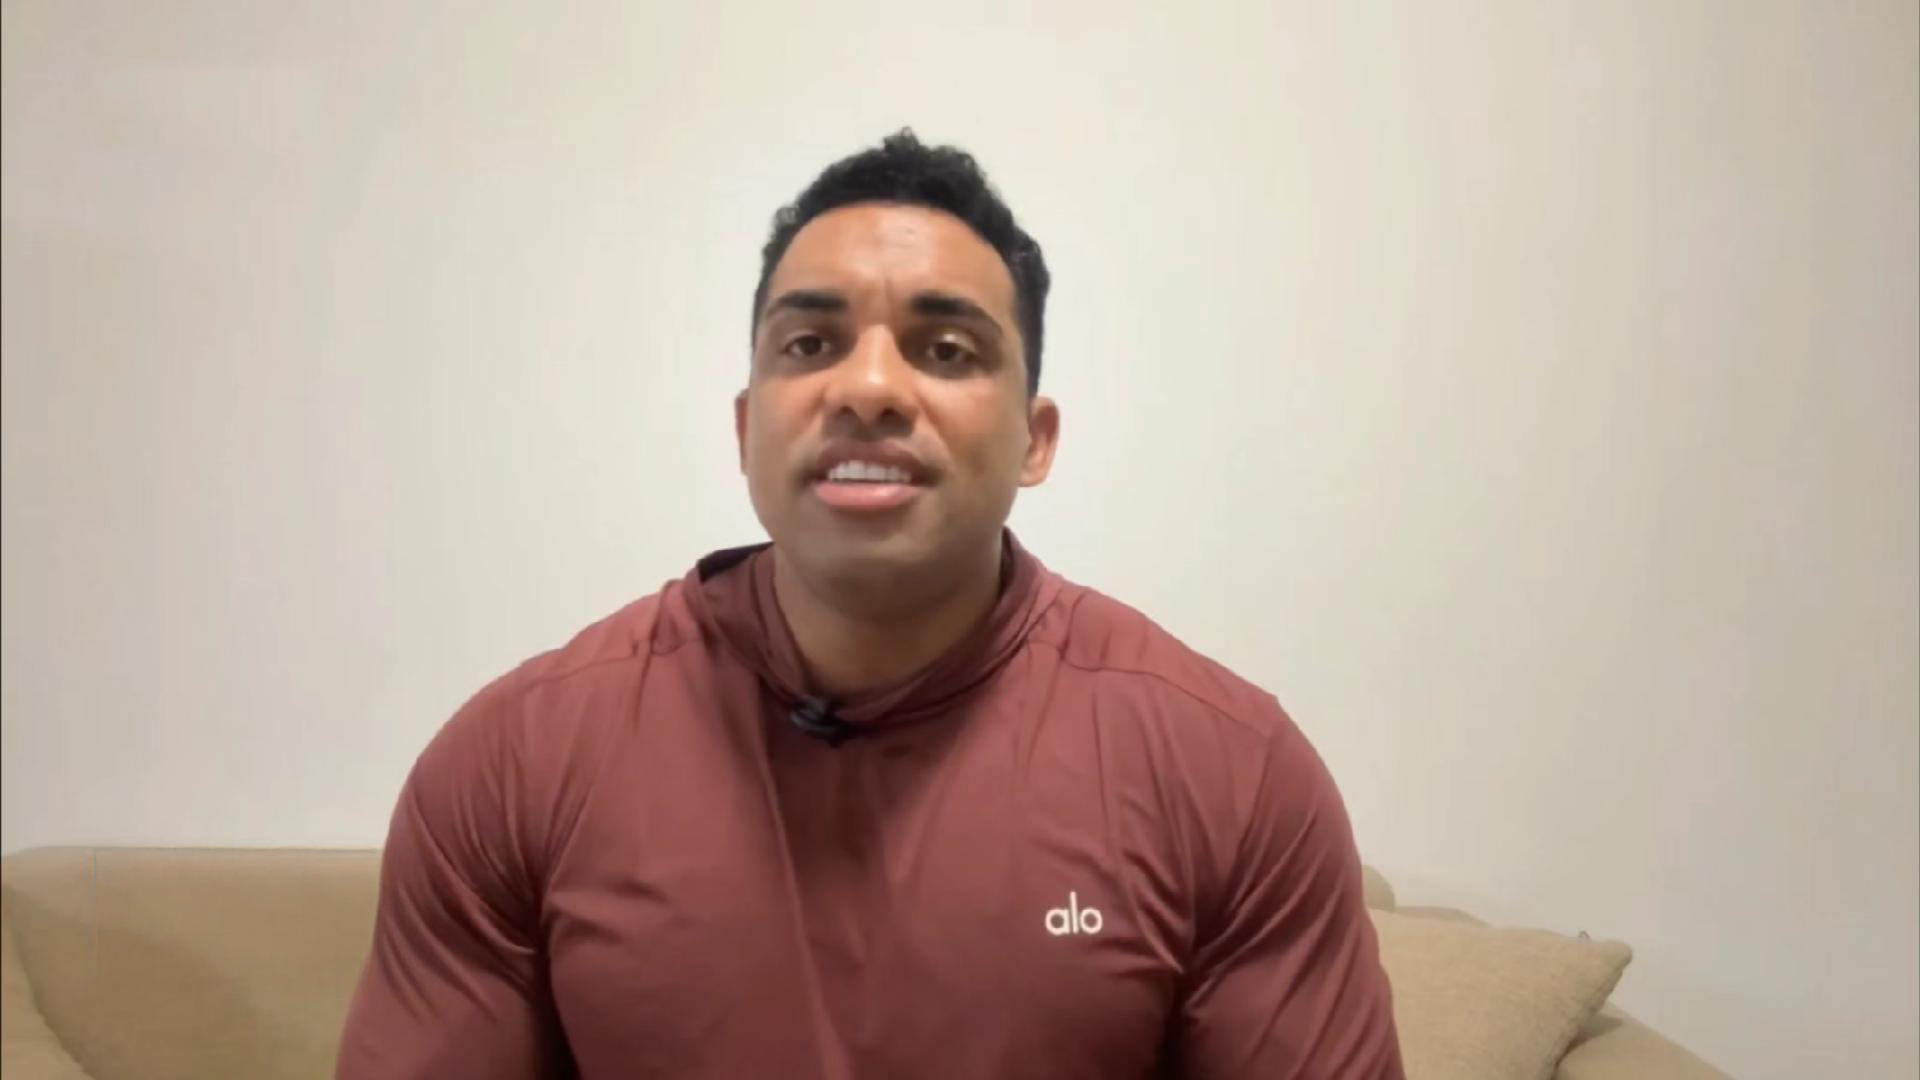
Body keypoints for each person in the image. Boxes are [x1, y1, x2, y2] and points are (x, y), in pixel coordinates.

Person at [336, 130, 1403, 1079]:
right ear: (747, 429)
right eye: (811, 344)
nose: (871, 389)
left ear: (1034, 441)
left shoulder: (1227, 773)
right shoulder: (517, 762)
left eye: (946, 351)